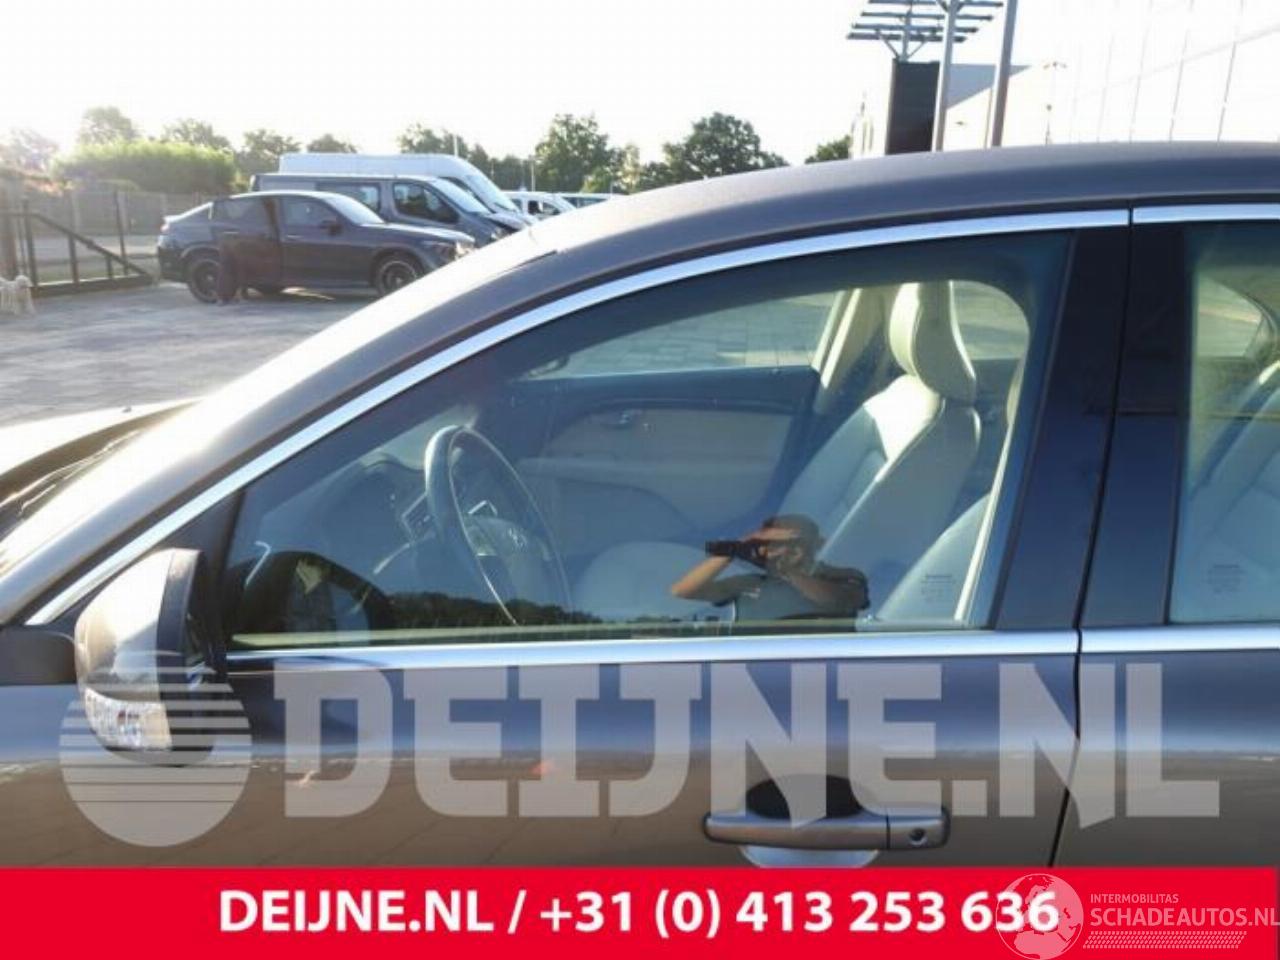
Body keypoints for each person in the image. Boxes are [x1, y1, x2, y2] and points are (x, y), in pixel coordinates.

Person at [670, 514, 869, 621]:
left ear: (814, 544)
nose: (775, 549)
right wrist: (739, 546)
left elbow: (837, 602)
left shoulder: (843, 576)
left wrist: (789, 571)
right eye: (768, 544)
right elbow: (682, 591)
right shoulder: (750, 584)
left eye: (791, 542)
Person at [214, 228, 245, 305]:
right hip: (229, 234)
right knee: (226, 268)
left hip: (230, 234)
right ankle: (223, 297)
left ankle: (227, 296)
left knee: (231, 268)